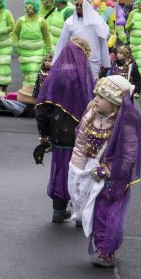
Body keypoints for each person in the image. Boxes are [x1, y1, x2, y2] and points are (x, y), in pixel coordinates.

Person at [67, 75, 141, 268]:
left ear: (114, 103)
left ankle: (106, 250)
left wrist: (108, 170)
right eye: (96, 95)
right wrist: (76, 172)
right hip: (90, 171)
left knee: (107, 213)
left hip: (113, 177)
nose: (96, 100)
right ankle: (100, 245)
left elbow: (129, 155)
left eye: (101, 97)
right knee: (93, 211)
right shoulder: (90, 116)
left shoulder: (126, 123)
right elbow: (80, 145)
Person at [35, 39, 95, 223]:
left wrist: (44, 134)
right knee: (80, 170)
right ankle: (79, 215)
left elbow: (42, 107)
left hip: (58, 130)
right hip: (81, 132)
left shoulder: (56, 74)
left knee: (60, 168)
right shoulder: (85, 74)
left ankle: (58, 210)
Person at [54, 0, 110, 79]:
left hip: (92, 62)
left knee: (91, 85)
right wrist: (55, 62)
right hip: (74, 61)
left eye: (81, 5)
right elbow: (62, 43)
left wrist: (105, 62)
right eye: (77, 5)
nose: (78, 7)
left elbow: (103, 43)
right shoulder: (70, 22)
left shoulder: (98, 22)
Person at [13, 0, 52, 86]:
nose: (28, 9)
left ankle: (32, 89)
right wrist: (15, 46)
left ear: (35, 8)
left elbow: (46, 36)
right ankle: (27, 89)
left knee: (34, 70)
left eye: (30, 7)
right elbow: (15, 33)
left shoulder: (41, 21)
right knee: (26, 72)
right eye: (26, 7)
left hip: (38, 52)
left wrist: (49, 49)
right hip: (24, 53)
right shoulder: (21, 20)